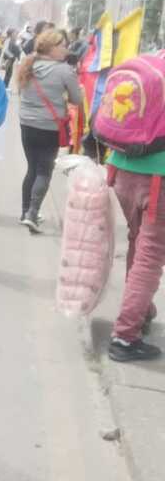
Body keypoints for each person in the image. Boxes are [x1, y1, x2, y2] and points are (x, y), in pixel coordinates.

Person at [16, 31, 82, 233]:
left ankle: (25, 211)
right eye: (63, 45)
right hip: (50, 126)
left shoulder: (28, 65)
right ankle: (32, 214)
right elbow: (76, 100)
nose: (66, 49)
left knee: (32, 169)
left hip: (27, 123)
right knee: (44, 171)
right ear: (51, 48)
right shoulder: (64, 71)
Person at [105, 145, 165, 362]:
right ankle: (125, 337)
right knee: (150, 257)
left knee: (138, 241)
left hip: (123, 168)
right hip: (158, 177)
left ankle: (142, 310)